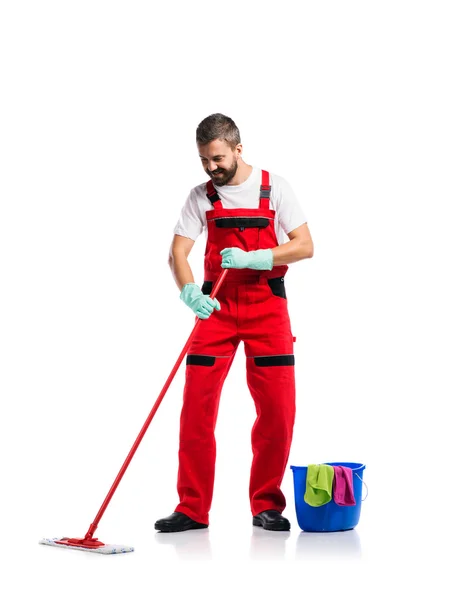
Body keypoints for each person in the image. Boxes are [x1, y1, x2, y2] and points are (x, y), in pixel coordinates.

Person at [155, 113, 314, 533]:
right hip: (216, 311)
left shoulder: (274, 187)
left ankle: (267, 505)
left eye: (218, 158)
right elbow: (178, 253)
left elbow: (305, 246)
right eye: (205, 160)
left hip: (268, 309)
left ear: (238, 149)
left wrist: (259, 258)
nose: (212, 168)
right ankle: (192, 508)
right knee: (196, 411)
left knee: (277, 412)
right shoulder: (200, 196)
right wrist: (190, 294)